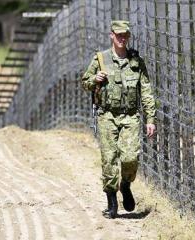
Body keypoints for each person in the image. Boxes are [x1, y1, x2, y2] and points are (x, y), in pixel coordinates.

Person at [81, 20, 156, 219]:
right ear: (111, 35)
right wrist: (94, 79)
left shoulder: (136, 61)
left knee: (130, 157)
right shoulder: (100, 59)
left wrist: (150, 119)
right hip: (107, 115)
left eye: (125, 35)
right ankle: (112, 202)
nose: (122, 38)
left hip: (130, 116)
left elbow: (146, 92)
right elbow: (85, 82)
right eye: (119, 35)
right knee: (109, 159)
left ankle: (125, 184)